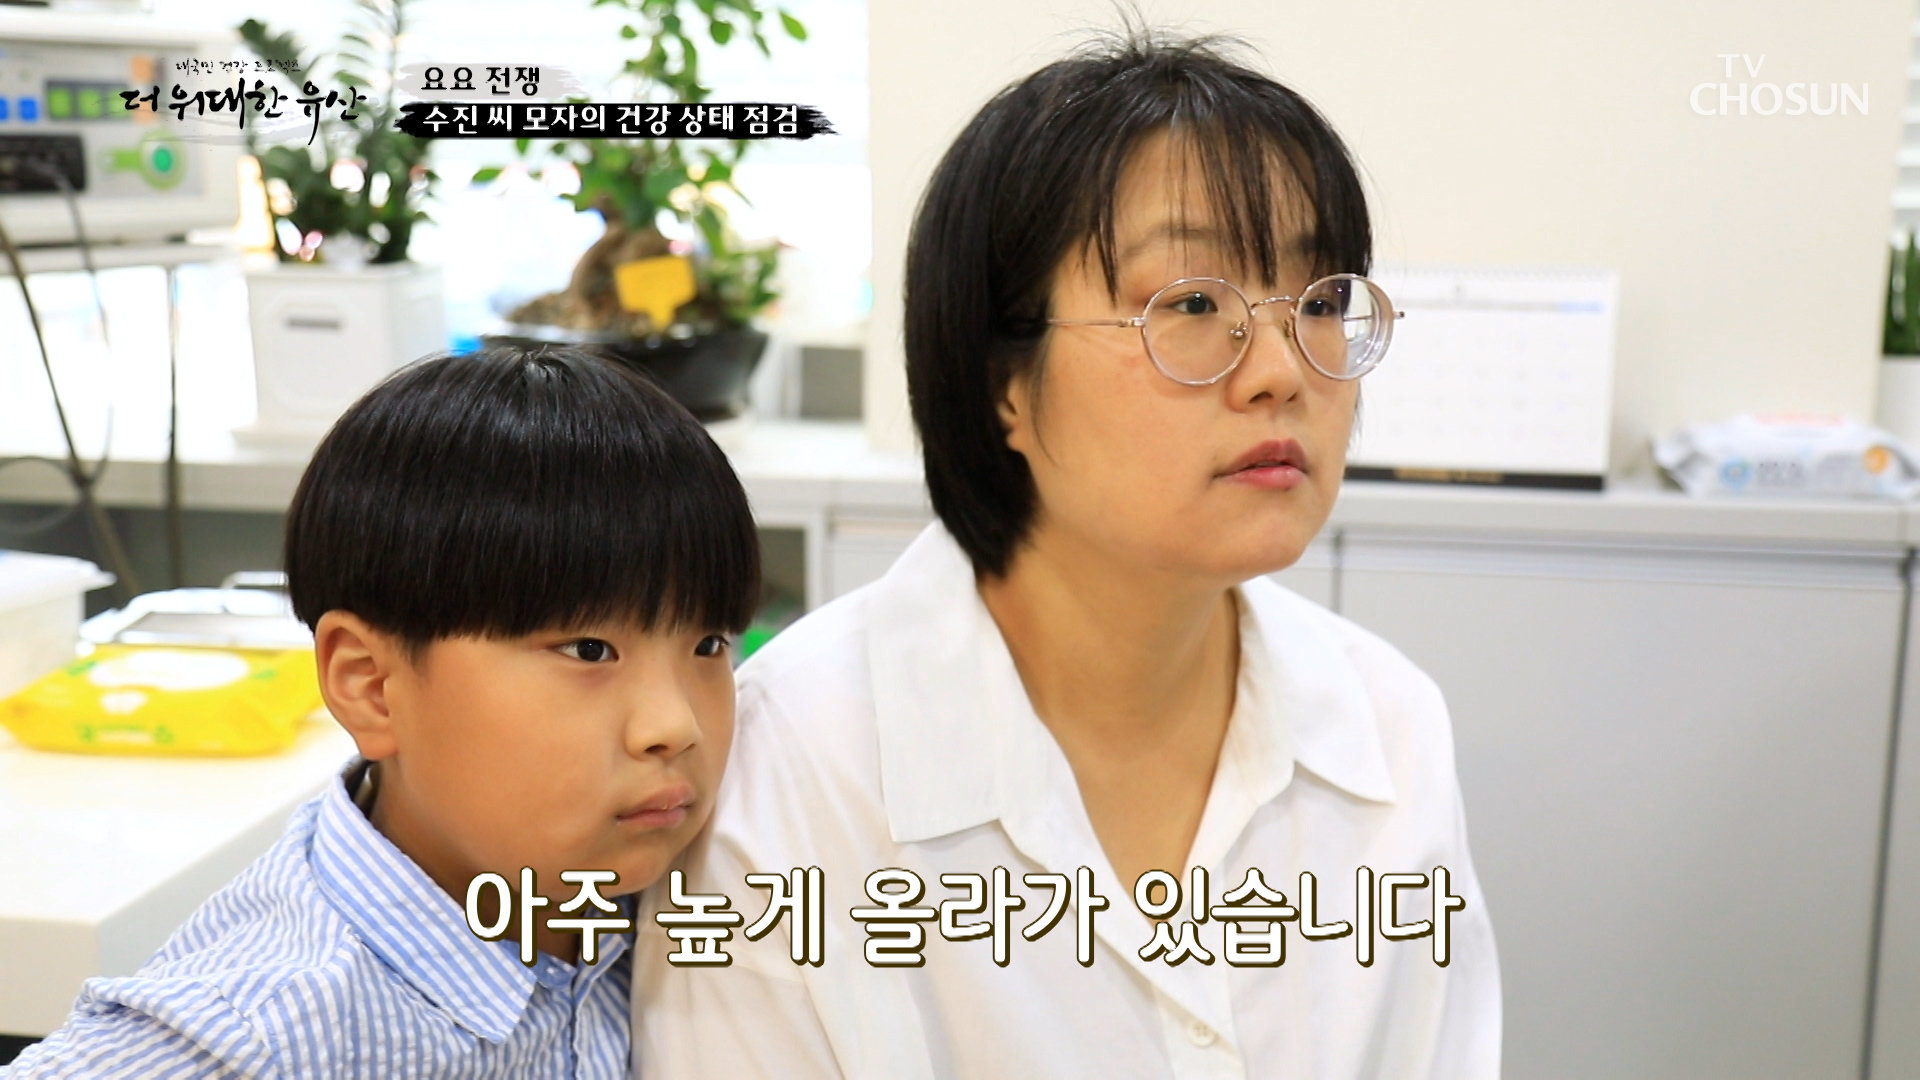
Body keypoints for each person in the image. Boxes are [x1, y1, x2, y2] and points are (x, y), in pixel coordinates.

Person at [633, 29, 1502, 1080]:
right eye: (1192, 304)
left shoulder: (1389, 726)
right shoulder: (789, 772)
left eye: (1319, 302)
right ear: (1002, 380)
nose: (1282, 369)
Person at [5, 344, 760, 1079]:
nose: (675, 726)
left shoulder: (661, 896)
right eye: (589, 650)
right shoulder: (256, 1036)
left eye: (709, 644)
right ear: (371, 684)